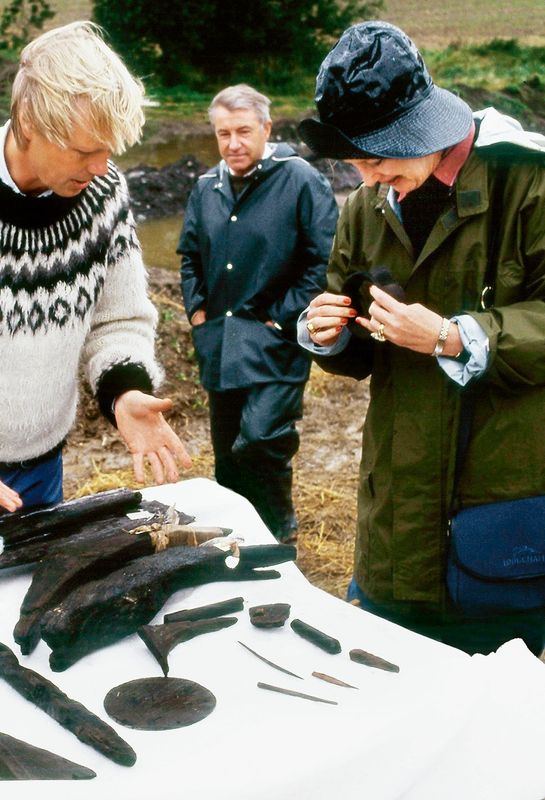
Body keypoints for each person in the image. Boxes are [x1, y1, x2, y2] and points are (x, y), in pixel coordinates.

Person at [297, 21, 545, 654]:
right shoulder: (364, 205)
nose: (366, 177)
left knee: (502, 713)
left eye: (376, 158)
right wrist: (327, 335)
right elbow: (357, 347)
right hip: (396, 522)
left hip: (503, 515)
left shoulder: (529, 187)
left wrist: (454, 338)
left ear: (424, 131)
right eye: (352, 162)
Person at [0, 21, 192, 514]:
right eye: (85, 151)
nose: (100, 166)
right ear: (28, 124)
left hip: (42, 467)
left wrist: (124, 390)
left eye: (109, 149)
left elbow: (119, 319)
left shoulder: (103, 195)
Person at [178, 84, 338, 542]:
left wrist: (282, 318)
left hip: (274, 340)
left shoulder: (301, 180)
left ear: (267, 128)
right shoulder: (207, 187)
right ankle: (236, 540)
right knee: (228, 454)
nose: (233, 144)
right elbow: (189, 255)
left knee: (262, 440)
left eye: (243, 131)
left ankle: (278, 534)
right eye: (223, 133)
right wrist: (198, 312)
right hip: (220, 340)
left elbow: (322, 261)